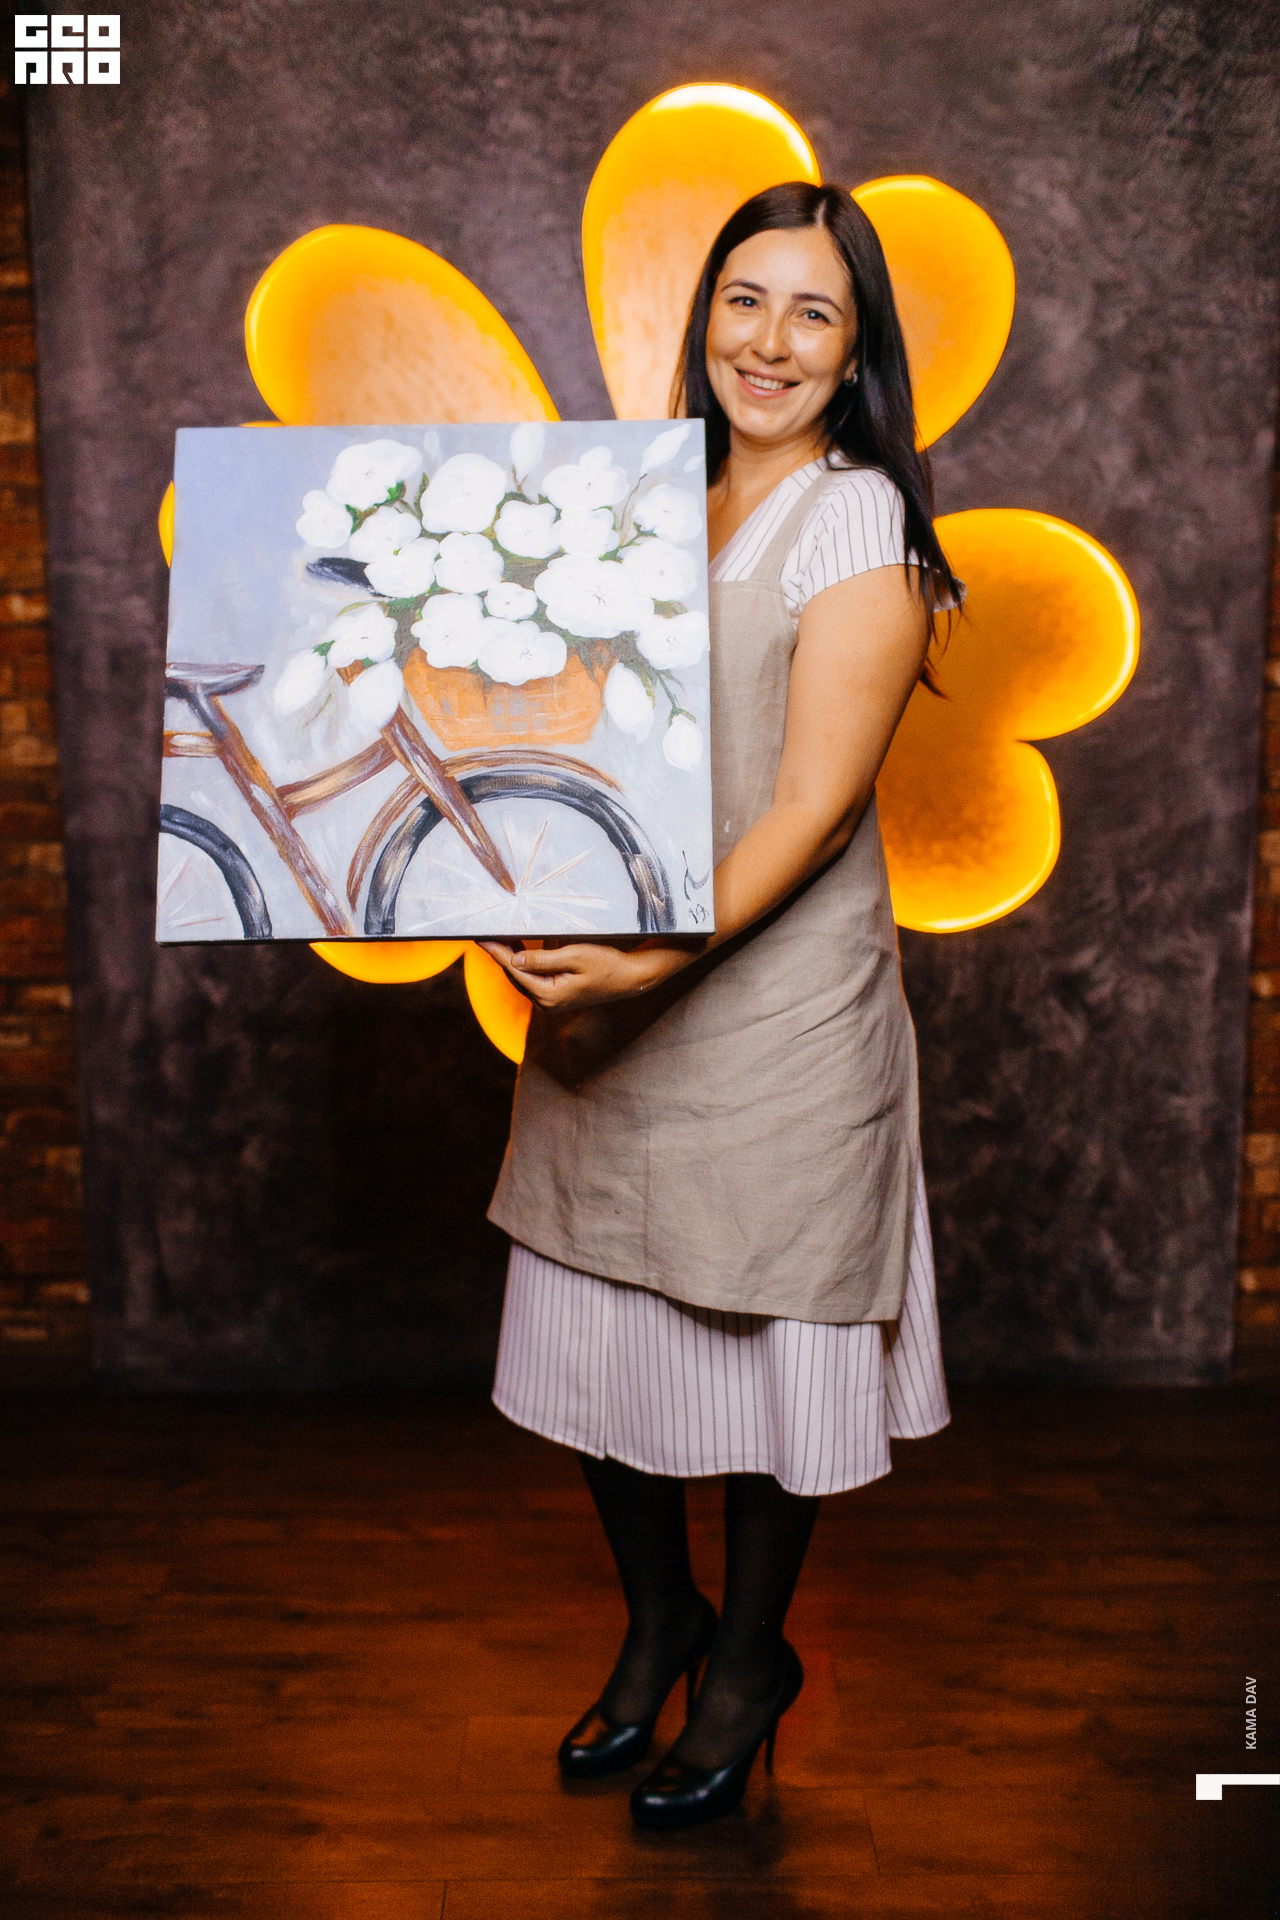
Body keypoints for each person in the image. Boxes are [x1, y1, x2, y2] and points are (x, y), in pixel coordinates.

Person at [480, 181, 961, 1832]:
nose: (769, 341)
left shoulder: (857, 524)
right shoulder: (634, 499)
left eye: (813, 312)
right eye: (745, 300)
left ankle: (747, 1662)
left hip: (770, 1020)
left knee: (760, 1347)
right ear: (703, 318)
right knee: (606, 1331)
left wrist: (644, 962)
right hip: (614, 998)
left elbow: (809, 810)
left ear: (857, 349)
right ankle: (659, 1621)